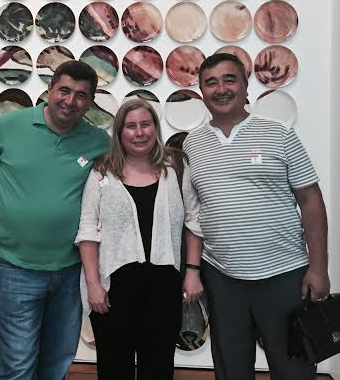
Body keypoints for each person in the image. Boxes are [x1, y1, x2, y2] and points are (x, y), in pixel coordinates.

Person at [183, 52, 330, 380]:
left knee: (293, 368)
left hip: (284, 275)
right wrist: (194, 270)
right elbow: (195, 213)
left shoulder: (279, 133)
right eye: (211, 83)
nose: (221, 89)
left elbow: (310, 200)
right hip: (223, 279)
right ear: (201, 92)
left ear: (246, 86)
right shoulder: (193, 144)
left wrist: (319, 268)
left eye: (229, 79)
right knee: (231, 368)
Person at [0, 61, 110, 380]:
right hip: (16, 267)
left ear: (90, 101)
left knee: (57, 364)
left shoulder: (98, 141)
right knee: (17, 366)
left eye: (81, 95)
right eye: (64, 91)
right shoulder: (8, 127)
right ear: (50, 89)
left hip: (70, 271)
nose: (70, 101)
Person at [75, 98, 204, 380]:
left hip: (164, 288)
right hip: (113, 289)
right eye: (131, 126)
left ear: (155, 127)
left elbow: (193, 220)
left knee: (158, 367)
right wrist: (94, 285)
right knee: (114, 368)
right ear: (119, 132)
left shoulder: (176, 167)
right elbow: (88, 229)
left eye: (145, 124)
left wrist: (193, 272)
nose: (139, 132)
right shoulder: (102, 170)